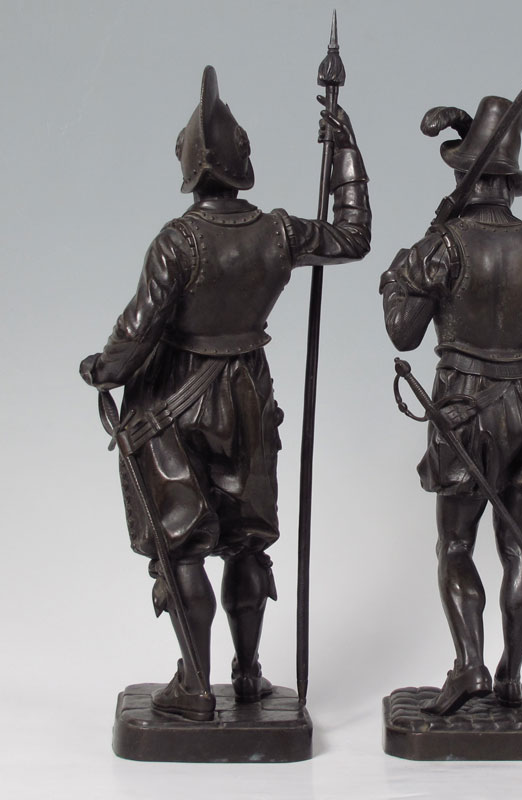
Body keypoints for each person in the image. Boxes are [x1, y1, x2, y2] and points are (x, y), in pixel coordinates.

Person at [80, 65, 370, 721]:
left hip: (176, 400)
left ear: (188, 167)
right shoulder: (277, 232)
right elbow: (353, 237)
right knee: (246, 539)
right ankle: (246, 672)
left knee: (183, 542)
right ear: (243, 164)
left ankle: (196, 685)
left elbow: (136, 331)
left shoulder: (177, 242)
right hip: (246, 397)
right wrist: (347, 154)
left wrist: (103, 369)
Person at [380, 96, 522, 715]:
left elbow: (403, 333)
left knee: (456, 546)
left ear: (464, 175)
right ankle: (510, 677)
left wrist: (399, 279)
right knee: (519, 544)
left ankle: (470, 666)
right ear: (509, 182)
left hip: (466, 406)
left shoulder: (444, 245)